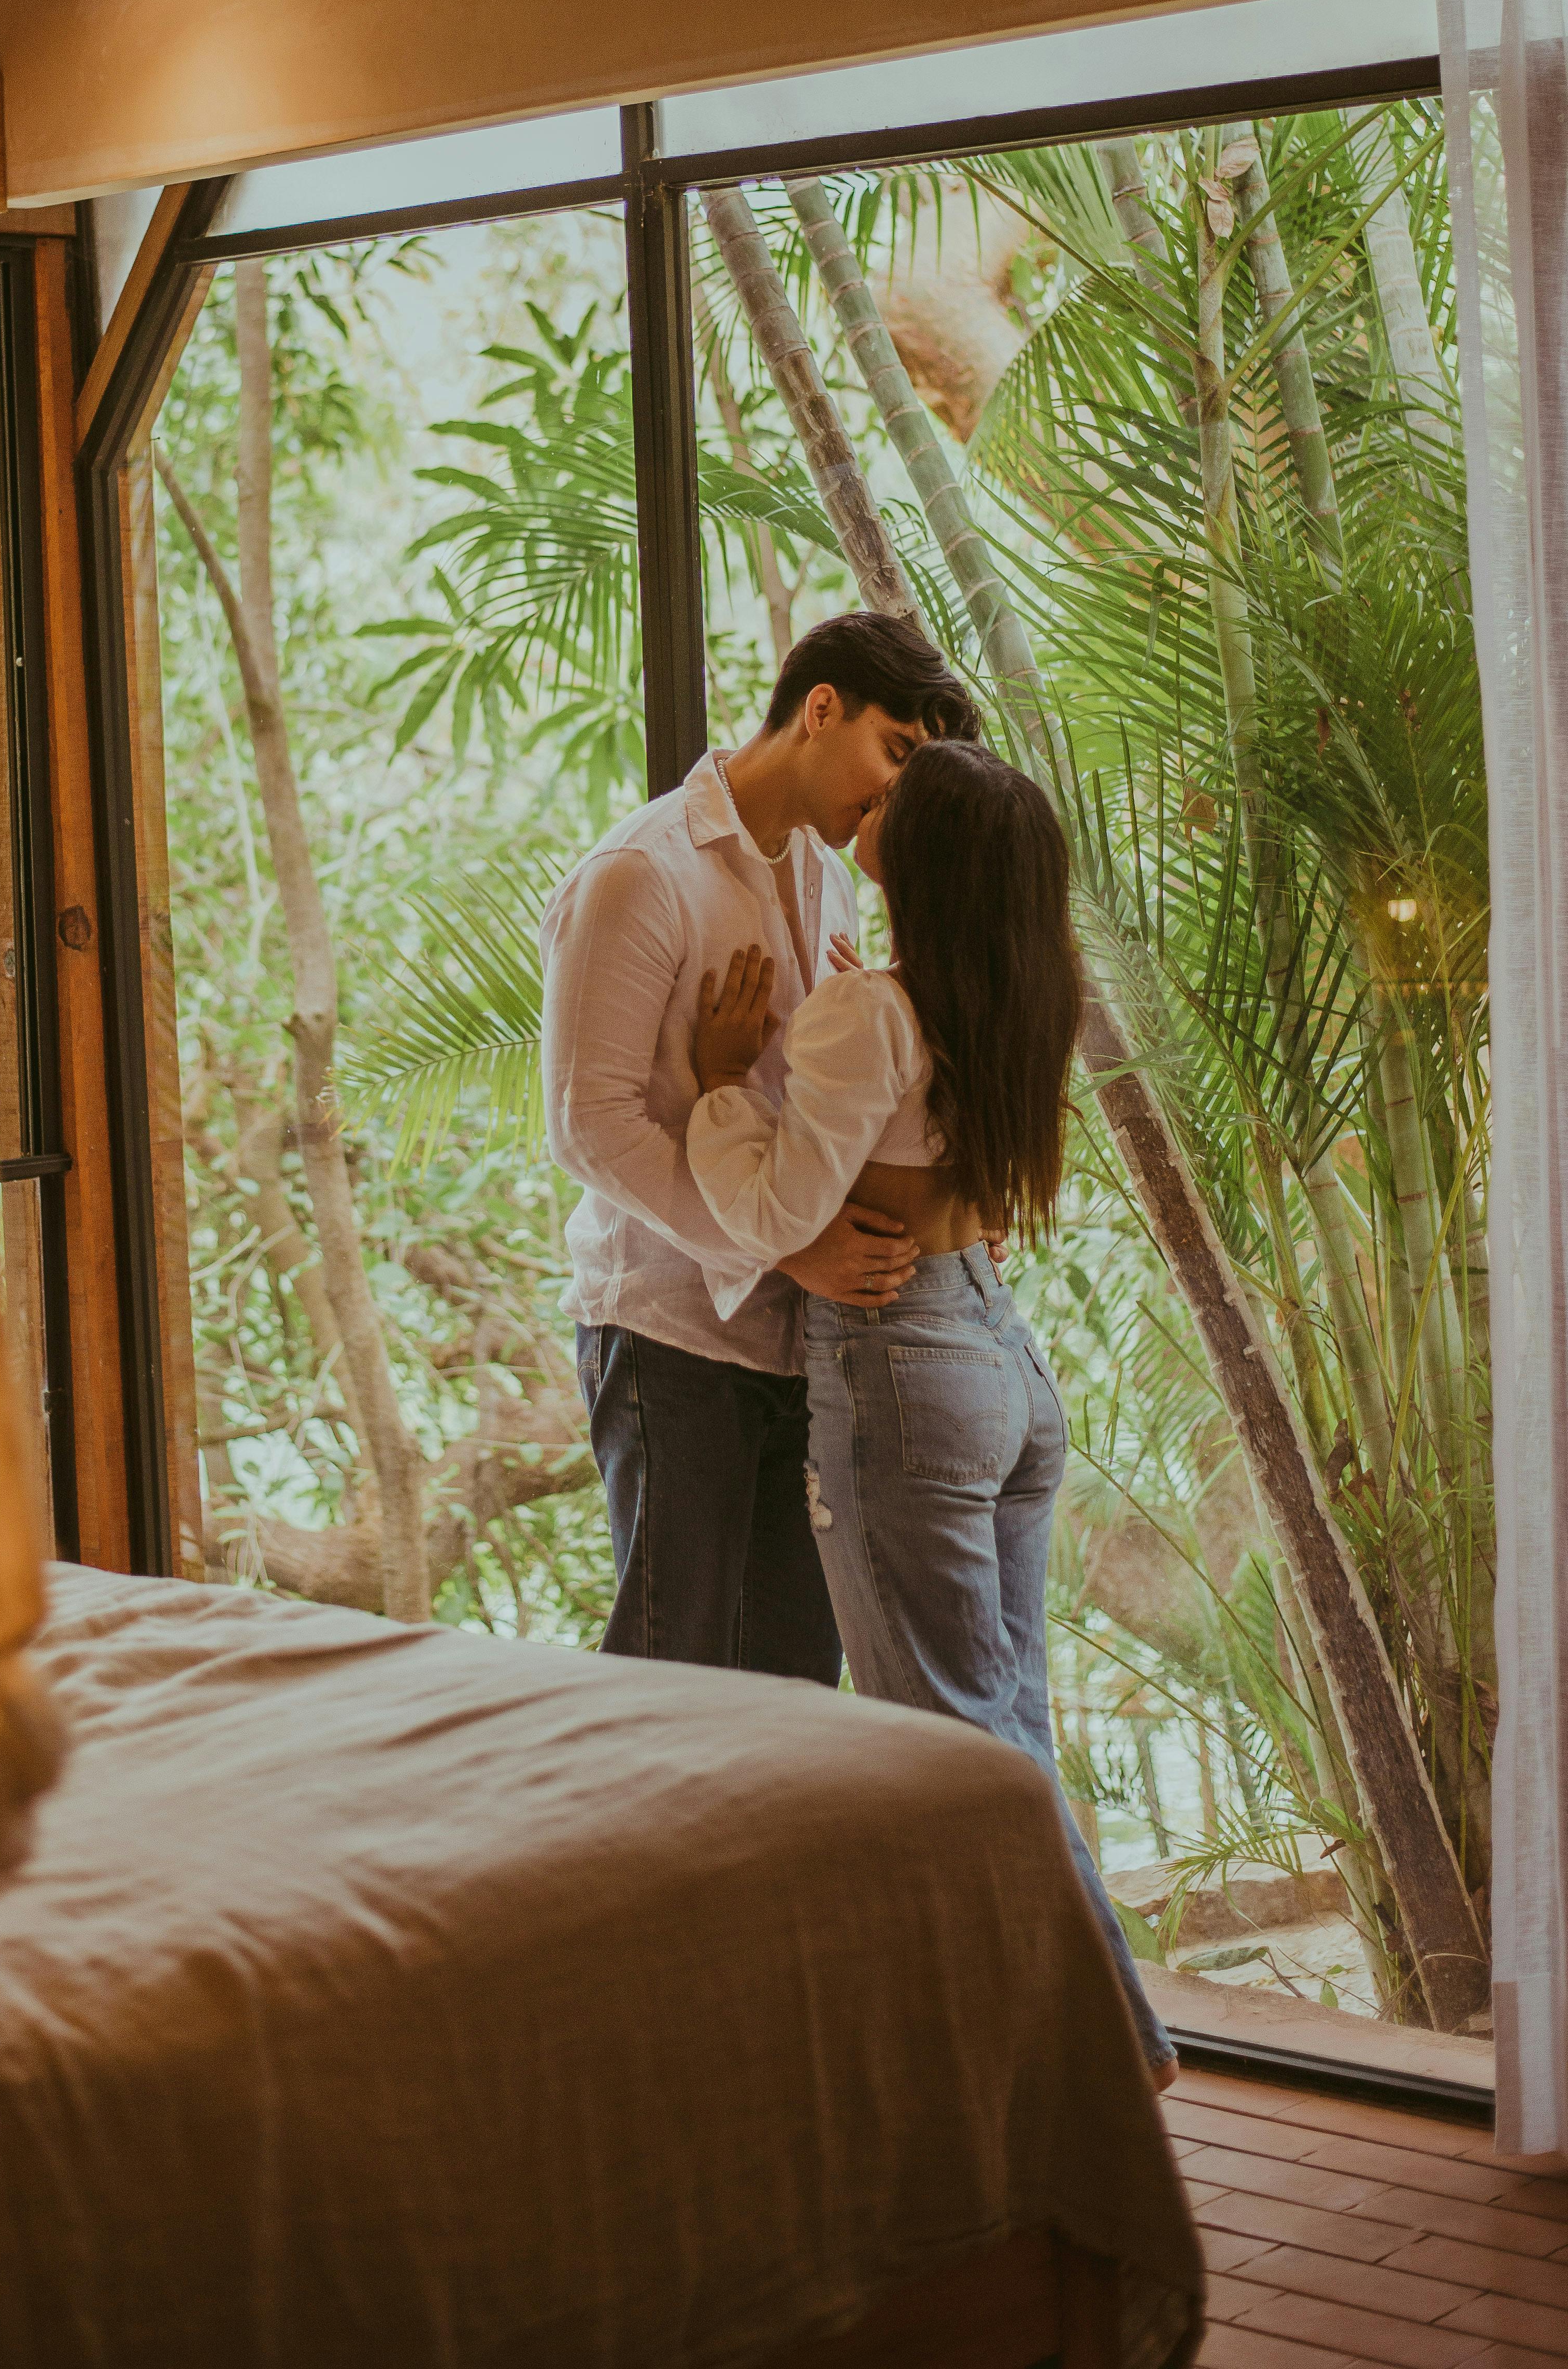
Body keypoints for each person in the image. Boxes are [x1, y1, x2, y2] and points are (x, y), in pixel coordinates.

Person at [684, 735, 1178, 2088]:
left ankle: (1106, 2050)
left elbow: (781, 1210)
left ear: (936, 857)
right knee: (1007, 1721)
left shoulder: (869, 1016)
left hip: (902, 1370)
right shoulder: (1014, 997)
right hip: (1000, 1368)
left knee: (959, 1751)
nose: (876, 798)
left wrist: (726, 1085)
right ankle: (1080, 2043)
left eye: (906, 797)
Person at [539, 613, 978, 1685]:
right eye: (895, 751)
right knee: (671, 1668)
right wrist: (787, 1249)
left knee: (790, 1685)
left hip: (805, 1339)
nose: (893, 794)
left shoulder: (828, 874)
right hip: (673, 1332)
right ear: (819, 705)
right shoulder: (640, 874)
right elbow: (588, 1126)